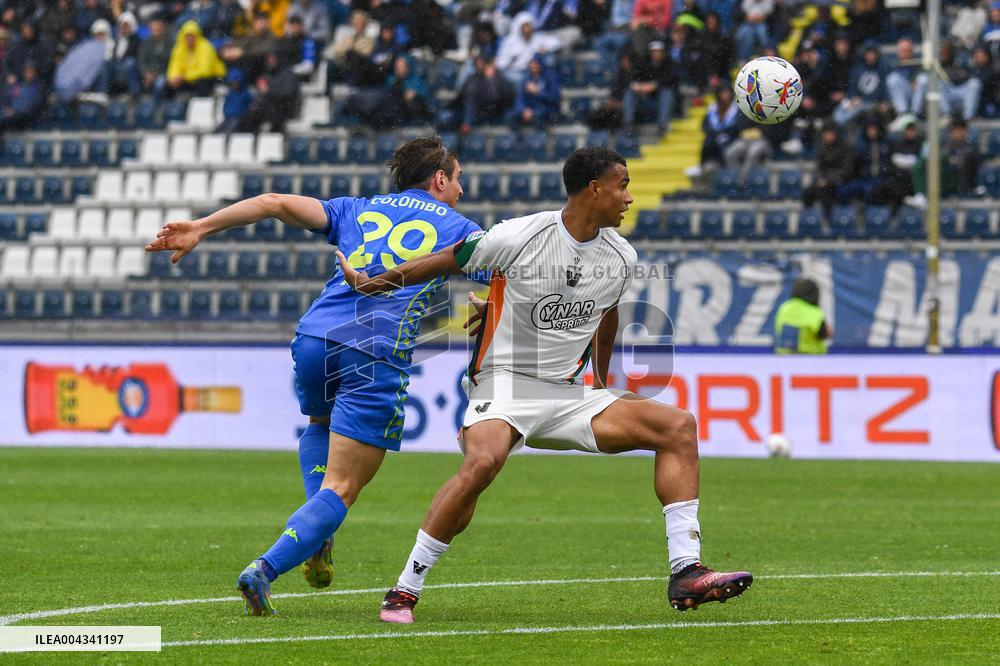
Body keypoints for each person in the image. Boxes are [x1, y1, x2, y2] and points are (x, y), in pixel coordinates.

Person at [338, 147, 753, 623]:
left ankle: (686, 571)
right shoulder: (521, 235)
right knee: (483, 463)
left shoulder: (622, 255)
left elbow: (606, 314)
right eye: (622, 186)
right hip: (504, 384)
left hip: (569, 394)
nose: (630, 198)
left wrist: (601, 380)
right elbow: (445, 260)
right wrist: (374, 285)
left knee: (678, 425)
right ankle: (405, 589)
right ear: (594, 189)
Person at [145, 137, 485, 616]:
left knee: (320, 427)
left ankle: (317, 537)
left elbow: (273, 202)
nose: (462, 191)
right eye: (459, 178)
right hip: (374, 349)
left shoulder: (356, 208)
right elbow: (510, 276)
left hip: (315, 337)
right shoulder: (462, 229)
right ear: (440, 179)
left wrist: (201, 227)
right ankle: (263, 569)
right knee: (342, 488)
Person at [167, 20, 226, 96]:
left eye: (192, 36)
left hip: (213, 77)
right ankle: (171, 106)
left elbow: (205, 71)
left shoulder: (206, 46)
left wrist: (184, 77)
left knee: (202, 82)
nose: (189, 39)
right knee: (168, 85)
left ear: (197, 35)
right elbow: (174, 65)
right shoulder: (179, 48)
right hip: (190, 79)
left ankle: (200, 104)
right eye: (187, 36)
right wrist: (174, 77)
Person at [774, 277, 830, 354]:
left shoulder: (784, 307)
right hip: (810, 359)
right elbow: (823, 334)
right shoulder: (814, 312)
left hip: (784, 357)